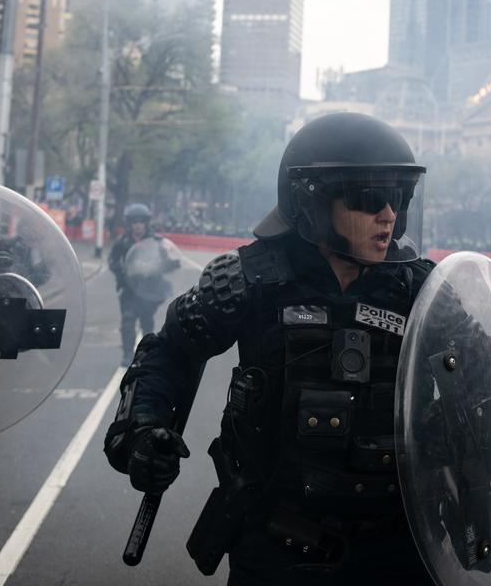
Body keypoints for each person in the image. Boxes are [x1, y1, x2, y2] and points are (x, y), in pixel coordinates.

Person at [103, 112, 439, 585]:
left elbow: (486, 388)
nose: (388, 214)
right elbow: (166, 355)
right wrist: (141, 430)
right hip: (279, 547)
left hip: (399, 548)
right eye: (369, 197)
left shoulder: (424, 291)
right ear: (313, 203)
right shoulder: (247, 281)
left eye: (399, 197)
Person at [108, 203, 181, 367]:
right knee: (127, 320)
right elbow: (112, 260)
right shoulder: (123, 241)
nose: (138, 225)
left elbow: (167, 262)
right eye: (134, 222)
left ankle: (146, 354)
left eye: (141, 222)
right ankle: (128, 354)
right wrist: (123, 272)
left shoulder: (156, 241)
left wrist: (169, 264)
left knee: (146, 321)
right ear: (129, 224)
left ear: (146, 223)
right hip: (128, 289)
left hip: (149, 289)